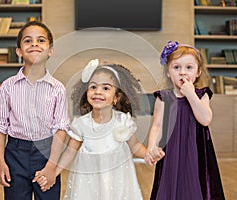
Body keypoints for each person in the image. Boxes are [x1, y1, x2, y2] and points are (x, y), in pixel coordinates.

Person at [34, 59, 148, 199]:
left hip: (117, 181)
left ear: (116, 97)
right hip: (87, 183)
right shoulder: (81, 124)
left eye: (105, 88)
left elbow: (135, 146)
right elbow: (69, 153)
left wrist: (150, 155)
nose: (97, 92)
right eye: (93, 87)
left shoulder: (122, 121)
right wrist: (54, 172)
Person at [0, 21, 70, 200]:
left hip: (47, 153)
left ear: (50, 50)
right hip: (15, 153)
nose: (34, 44)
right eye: (28, 41)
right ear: (19, 51)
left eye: (41, 40)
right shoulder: (8, 87)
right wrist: (1, 162)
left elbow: (61, 128)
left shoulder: (57, 89)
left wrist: (52, 166)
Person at [145, 41, 225, 200]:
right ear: (168, 71)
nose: (182, 72)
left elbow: (205, 119)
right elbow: (157, 124)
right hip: (171, 149)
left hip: (195, 148)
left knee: (194, 184)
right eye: (176, 67)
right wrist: (151, 146)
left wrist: (190, 94)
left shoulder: (202, 94)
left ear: (198, 72)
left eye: (189, 67)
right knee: (169, 184)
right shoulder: (163, 97)